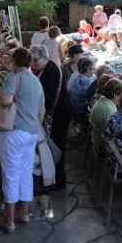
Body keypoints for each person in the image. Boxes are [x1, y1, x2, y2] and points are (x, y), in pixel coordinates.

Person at [0, 47, 44, 233]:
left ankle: (9, 220)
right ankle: (23, 213)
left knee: (11, 174)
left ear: (14, 61)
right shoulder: (36, 81)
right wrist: (33, 126)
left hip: (13, 132)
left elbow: (6, 100)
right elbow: (42, 111)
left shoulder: (13, 77)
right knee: (25, 173)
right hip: (31, 133)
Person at [30, 44, 69, 188]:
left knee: (57, 147)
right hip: (54, 112)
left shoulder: (51, 70)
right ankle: (53, 178)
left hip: (59, 114)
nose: (33, 64)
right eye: (31, 61)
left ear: (45, 57)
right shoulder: (44, 68)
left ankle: (58, 181)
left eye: (35, 60)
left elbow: (47, 98)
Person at [90, 78, 122, 154]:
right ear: (115, 95)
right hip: (104, 144)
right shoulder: (110, 110)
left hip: (97, 137)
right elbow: (114, 134)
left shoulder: (102, 99)